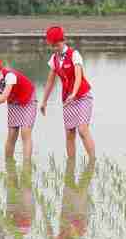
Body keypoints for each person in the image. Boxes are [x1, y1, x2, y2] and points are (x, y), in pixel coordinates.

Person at [40, 26, 96, 161]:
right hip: (67, 100)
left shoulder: (74, 55)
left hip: (82, 96)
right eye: (52, 46)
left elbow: (78, 76)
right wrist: (44, 101)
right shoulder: (54, 59)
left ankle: (93, 161)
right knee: (70, 133)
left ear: (63, 40)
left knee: (82, 130)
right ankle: (71, 165)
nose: (55, 48)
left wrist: (74, 93)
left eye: (57, 45)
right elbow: (49, 82)